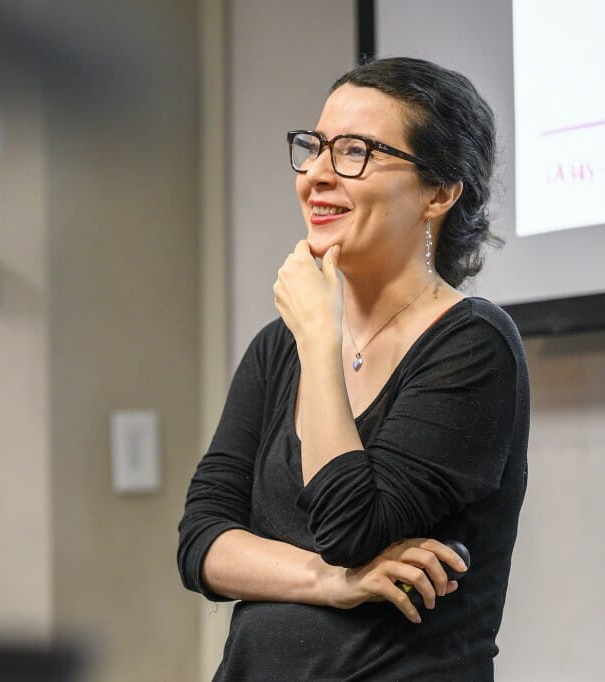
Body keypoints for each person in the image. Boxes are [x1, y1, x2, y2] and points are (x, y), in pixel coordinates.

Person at [177, 57, 529, 680]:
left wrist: (319, 336)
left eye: (355, 152)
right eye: (314, 148)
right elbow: (202, 543)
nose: (315, 175)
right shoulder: (275, 349)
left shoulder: (473, 343)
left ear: (440, 193)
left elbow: (352, 528)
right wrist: (329, 582)